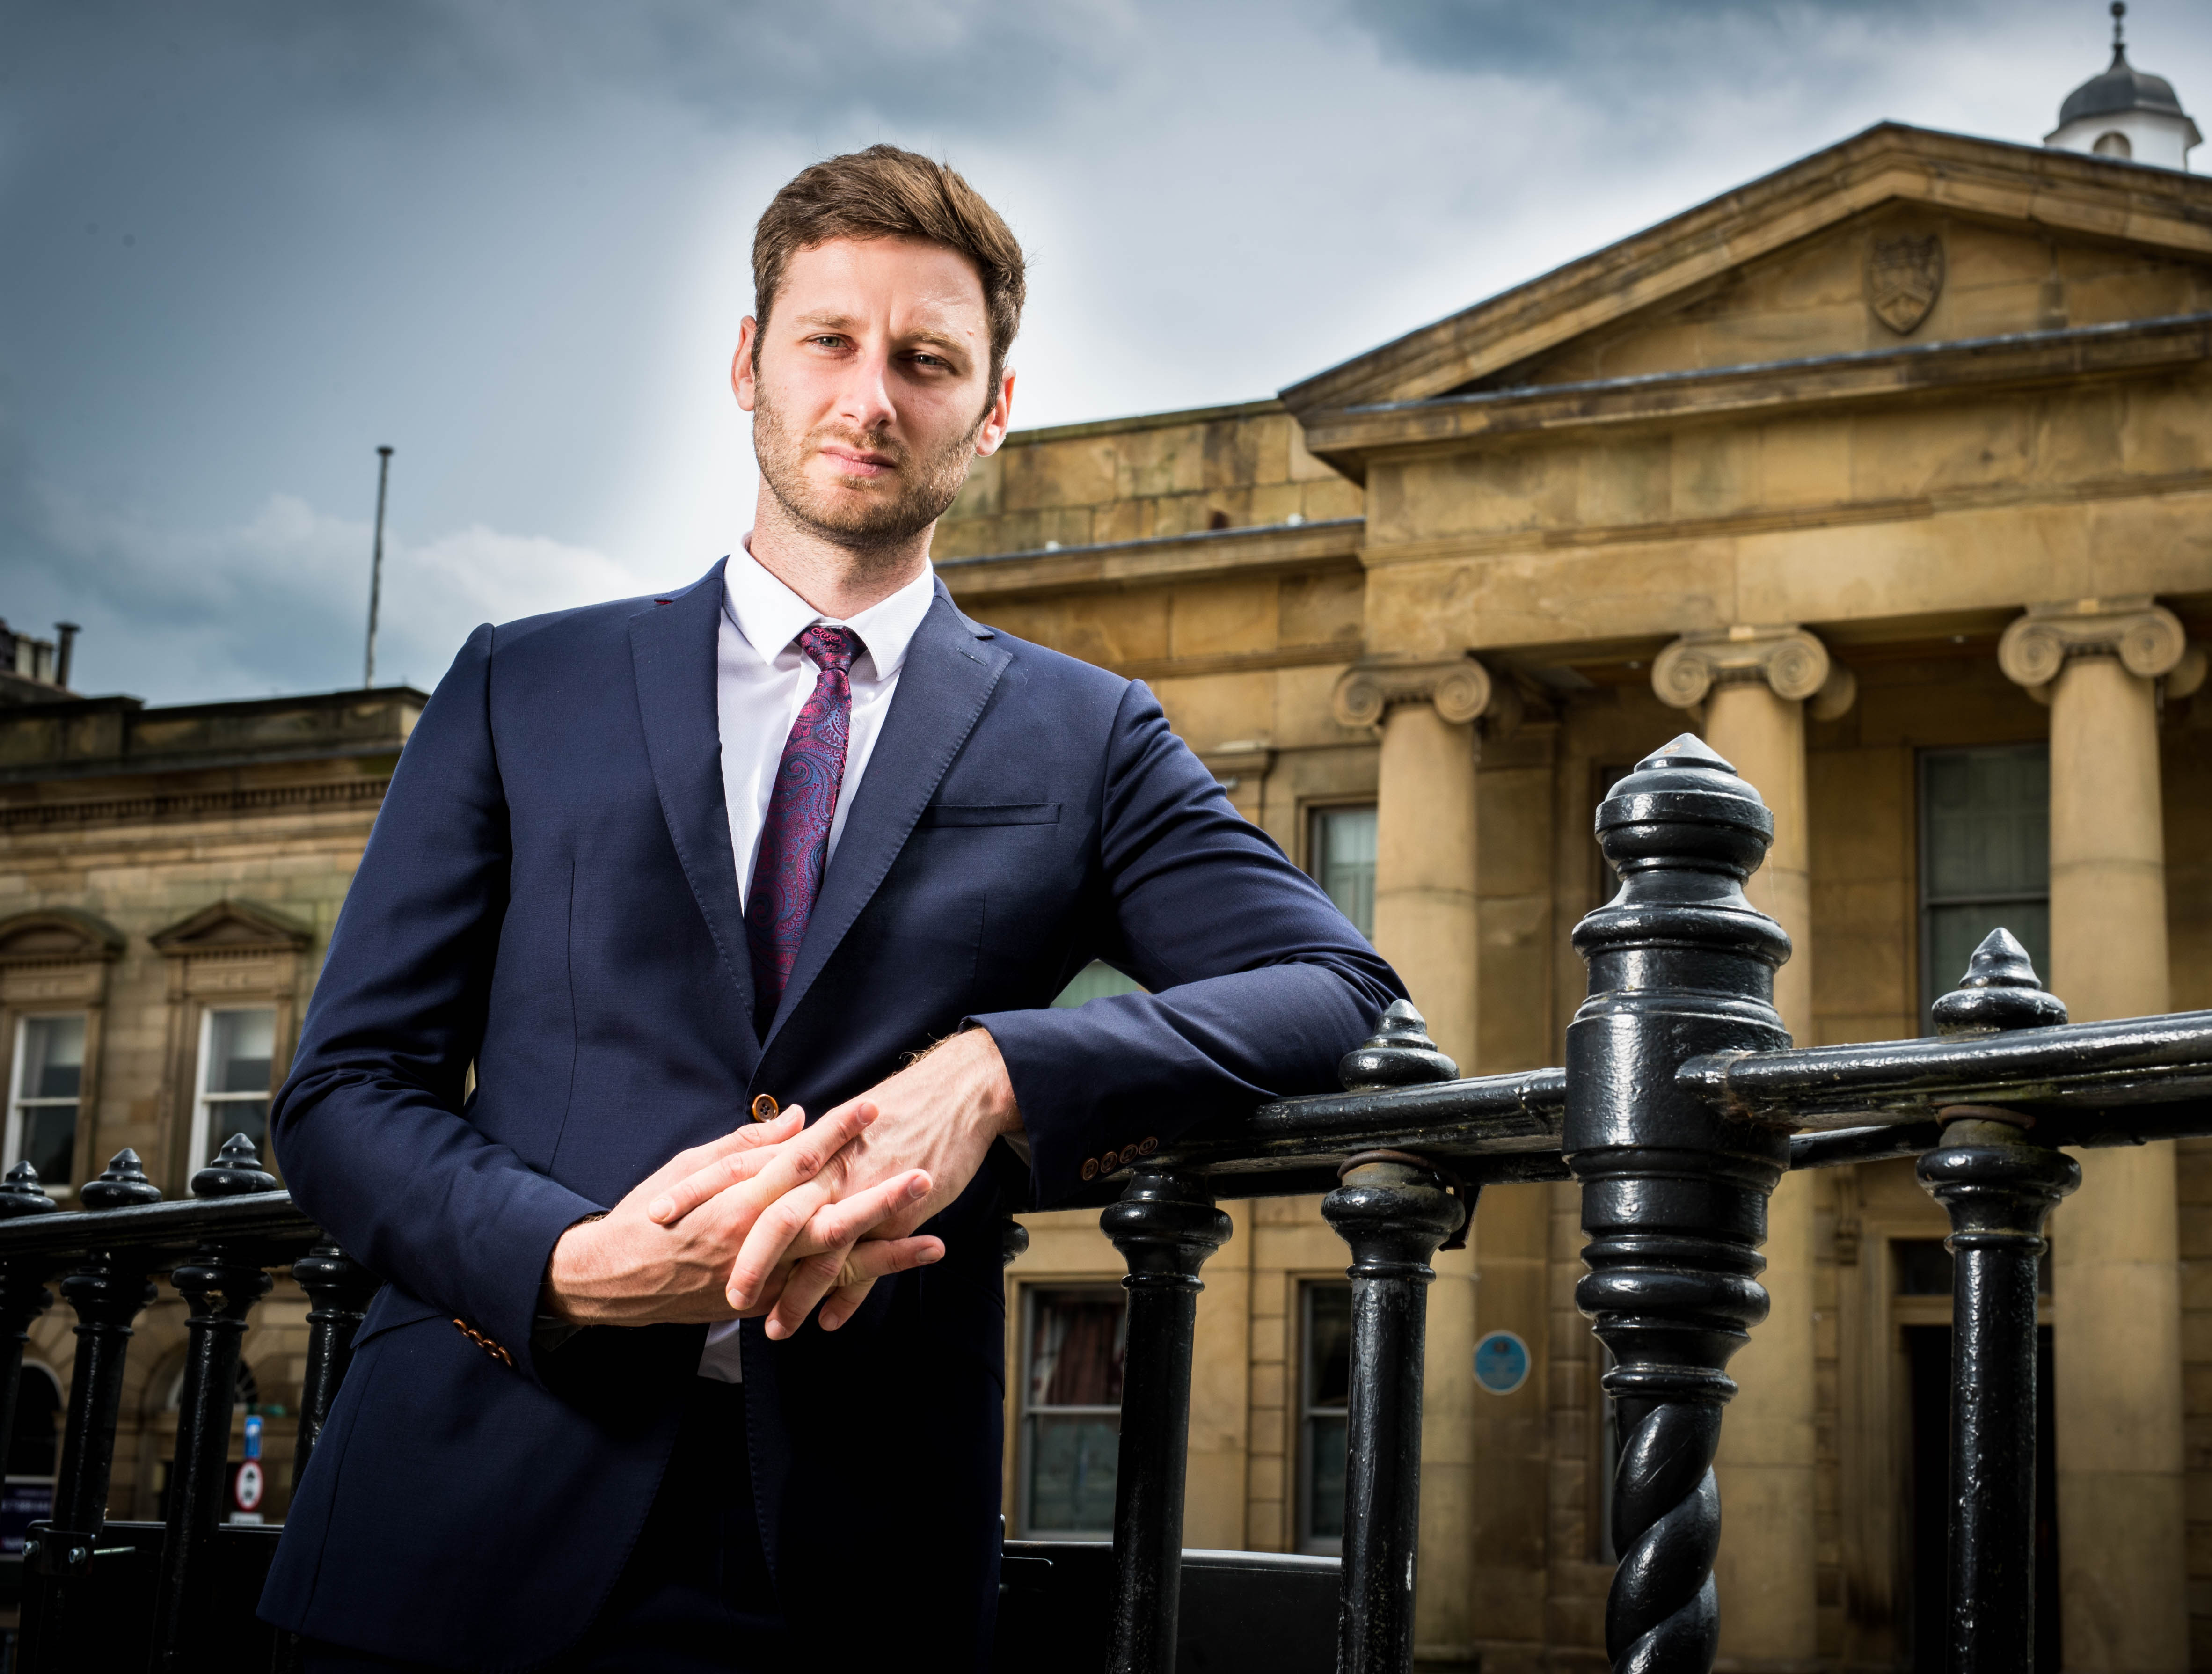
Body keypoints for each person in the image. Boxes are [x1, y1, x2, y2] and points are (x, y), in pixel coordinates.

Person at [259, 145, 1401, 1671]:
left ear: (992, 410)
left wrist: (992, 1072)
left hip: (849, 1560)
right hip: (461, 1504)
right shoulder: (521, 684)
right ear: (749, 365)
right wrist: (566, 1266)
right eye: (830, 343)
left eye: (927, 361)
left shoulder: (1088, 734)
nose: (872, 395)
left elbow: (1338, 986)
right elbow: (343, 1094)